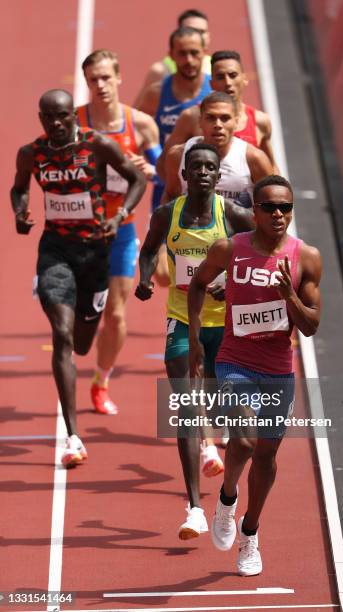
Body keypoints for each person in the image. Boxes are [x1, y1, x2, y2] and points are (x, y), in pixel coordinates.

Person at [188, 175, 322, 575]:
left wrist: (289, 296)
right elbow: (196, 285)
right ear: (254, 211)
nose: (278, 214)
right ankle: (227, 499)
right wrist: (195, 338)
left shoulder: (307, 257)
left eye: (285, 207)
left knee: (267, 455)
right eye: (269, 207)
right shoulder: (229, 249)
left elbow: (312, 325)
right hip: (234, 359)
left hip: (279, 367)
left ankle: (250, 533)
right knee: (243, 441)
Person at [10, 89, 146, 468]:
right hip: (55, 251)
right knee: (63, 335)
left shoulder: (96, 145)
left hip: (96, 254)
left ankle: (87, 371)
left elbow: (137, 180)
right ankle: (72, 436)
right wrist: (21, 213)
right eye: (48, 117)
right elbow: (19, 189)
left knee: (85, 342)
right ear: (41, 118)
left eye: (63, 116)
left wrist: (120, 217)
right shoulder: (31, 153)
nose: (55, 124)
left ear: (74, 117)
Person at [135, 143, 254, 539]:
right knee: (186, 407)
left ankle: (227, 498)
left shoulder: (232, 214)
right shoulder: (167, 214)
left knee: (227, 413)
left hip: (228, 324)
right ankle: (194, 508)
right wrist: (145, 278)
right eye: (195, 166)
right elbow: (149, 250)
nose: (203, 172)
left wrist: (227, 279)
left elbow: (259, 255)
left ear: (219, 176)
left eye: (210, 167)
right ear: (185, 174)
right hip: (183, 318)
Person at [77, 49, 161, 416]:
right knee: (82, 316)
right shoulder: (74, 122)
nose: (100, 85)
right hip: (77, 236)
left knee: (115, 315)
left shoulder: (140, 125)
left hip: (121, 233)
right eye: (93, 79)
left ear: (119, 78)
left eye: (106, 78)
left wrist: (147, 168)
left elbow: (164, 171)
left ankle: (101, 380)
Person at [138, 25, 213, 284]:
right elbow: (133, 129)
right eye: (182, 53)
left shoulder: (215, 95)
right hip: (167, 187)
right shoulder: (157, 93)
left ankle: (192, 315)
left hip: (206, 190)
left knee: (202, 269)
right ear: (171, 54)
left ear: (204, 53)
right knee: (162, 275)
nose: (189, 60)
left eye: (195, 53)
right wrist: (143, 164)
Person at [159, 50, 276, 166]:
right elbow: (163, 164)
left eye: (233, 75)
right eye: (220, 77)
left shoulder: (260, 121)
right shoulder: (191, 117)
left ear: (244, 79)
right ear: (211, 84)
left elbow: (271, 168)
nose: (228, 82)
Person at [163, 92, 276, 208]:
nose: (218, 125)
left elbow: (274, 204)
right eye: (211, 118)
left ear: (236, 122)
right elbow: (170, 195)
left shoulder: (255, 159)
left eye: (225, 118)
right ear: (200, 121)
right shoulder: (178, 155)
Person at [134, 9, 212, 108]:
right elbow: (138, 113)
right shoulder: (160, 71)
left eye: (202, 32)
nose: (195, 36)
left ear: (208, 36)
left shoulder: (217, 68)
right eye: (189, 30)